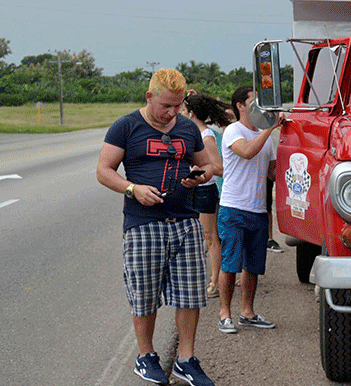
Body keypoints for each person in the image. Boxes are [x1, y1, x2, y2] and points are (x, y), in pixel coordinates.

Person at [96, 68, 216, 386]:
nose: (172, 112)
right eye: (166, 105)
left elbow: (207, 166)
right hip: (143, 224)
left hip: (186, 222)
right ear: (149, 97)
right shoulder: (126, 126)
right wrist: (132, 189)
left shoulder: (188, 129)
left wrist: (200, 174)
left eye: (177, 105)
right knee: (145, 296)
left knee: (190, 295)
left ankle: (186, 361)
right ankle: (146, 356)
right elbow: (104, 170)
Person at [217, 86, 283, 334]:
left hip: (257, 209)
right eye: (254, 102)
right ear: (240, 106)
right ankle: (225, 314)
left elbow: (273, 172)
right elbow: (246, 152)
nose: (260, 107)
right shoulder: (234, 131)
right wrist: (270, 128)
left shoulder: (266, 139)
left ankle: (248, 312)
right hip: (233, 208)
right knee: (230, 263)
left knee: (253, 266)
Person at [182, 92, 233, 298]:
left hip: (206, 190)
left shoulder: (206, 136)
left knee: (211, 238)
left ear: (192, 113)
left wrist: (198, 169)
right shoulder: (198, 132)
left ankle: (215, 281)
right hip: (197, 190)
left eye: (185, 110)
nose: (182, 114)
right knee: (203, 237)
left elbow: (220, 167)